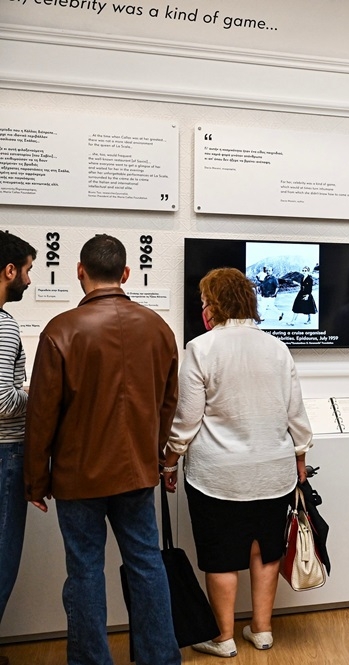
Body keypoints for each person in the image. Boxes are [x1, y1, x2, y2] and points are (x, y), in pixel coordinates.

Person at [24, 234, 180, 665]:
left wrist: (35, 479)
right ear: (125, 274)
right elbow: (169, 403)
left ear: (80, 271)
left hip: (78, 477)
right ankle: (160, 658)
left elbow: (41, 414)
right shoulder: (159, 328)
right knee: (147, 565)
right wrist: (153, 455)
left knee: (86, 571)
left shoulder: (60, 330)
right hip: (136, 472)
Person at [162, 267, 312, 657]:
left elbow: (187, 419)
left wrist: (169, 461)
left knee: (220, 555)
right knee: (266, 551)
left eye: (203, 302)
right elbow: (295, 412)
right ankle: (262, 631)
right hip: (273, 472)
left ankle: (224, 637)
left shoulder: (201, 348)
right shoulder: (277, 348)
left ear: (213, 305)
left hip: (217, 476)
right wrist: (300, 455)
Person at [0, 232, 34, 665]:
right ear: (9, 271)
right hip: (5, 453)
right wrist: (38, 392)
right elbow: (4, 402)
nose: (28, 278)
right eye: (27, 269)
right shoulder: (4, 324)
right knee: (3, 558)